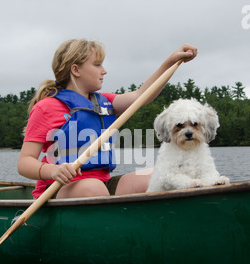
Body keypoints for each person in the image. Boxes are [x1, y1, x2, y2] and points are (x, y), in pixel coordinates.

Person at [18, 39, 197, 199]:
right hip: (58, 189)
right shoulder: (46, 107)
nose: (104, 71)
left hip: (102, 185)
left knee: (161, 175)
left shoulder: (105, 102)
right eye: (97, 65)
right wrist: (53, 170)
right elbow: (25, 162)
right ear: (76, 69)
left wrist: (172, 61)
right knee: (93, 188)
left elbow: (142, 95)